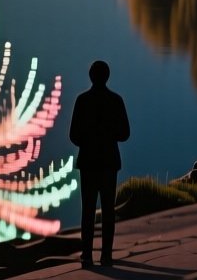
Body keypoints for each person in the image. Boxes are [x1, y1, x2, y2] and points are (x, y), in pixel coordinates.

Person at [68, 60, 131, 268]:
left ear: (90, 76)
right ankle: (106, 255)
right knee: (108, 210)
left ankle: (86, 255)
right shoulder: (116, 101)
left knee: (87, 210)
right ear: (107, 76)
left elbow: (73, 136)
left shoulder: (82, 101)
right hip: (109, 162)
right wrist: (108, 135)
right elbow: (125, 134)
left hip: (88, 162)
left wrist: (89, 139)